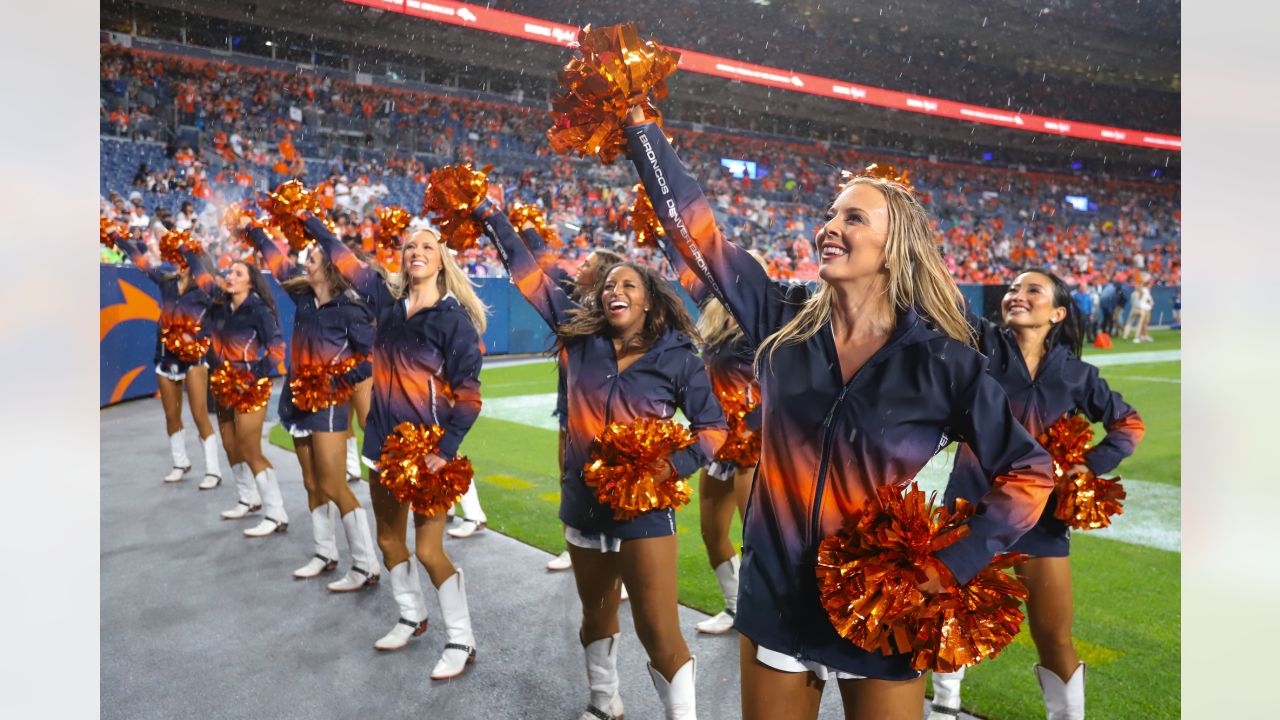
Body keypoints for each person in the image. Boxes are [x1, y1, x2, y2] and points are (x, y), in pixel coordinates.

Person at [625, 111, 1055, 720]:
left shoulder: (942, 362)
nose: (829, 226)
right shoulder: (781, 321)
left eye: (854, 217)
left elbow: (1030, 471)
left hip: (877, 606)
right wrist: (641, 129)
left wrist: (950, 563)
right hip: (777, 596)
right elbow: (699, 236)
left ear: (894, 246)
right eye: (829, 214)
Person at [477, 200, 726, 720]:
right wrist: (489, 215)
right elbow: (527, 274)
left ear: (651, 302)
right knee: (596, 612)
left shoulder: (677, 355)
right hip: (584, 502)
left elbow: (713, 430)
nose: (615, 290)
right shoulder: (578, 336)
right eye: (609, 285)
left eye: (629, 285)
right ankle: (603, 700)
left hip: (646, 509)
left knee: (658, 628)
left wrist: (668, 468)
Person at [929, 269, 1145, 720]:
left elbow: (1129, 424)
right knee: (948, 614)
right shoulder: (981, 345)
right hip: (972, 506)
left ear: (1058, 312)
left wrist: (1090, 465)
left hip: (1042, 519)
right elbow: (943, 299)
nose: (1017, 296)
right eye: (1012, 289)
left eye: (1033, 290)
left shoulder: (1076, 375)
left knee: (1054, 636)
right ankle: (944, 705)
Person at [301, 212, 487, 680]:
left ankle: (461, 638)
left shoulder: (453, 321)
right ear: (401, 260)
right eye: (409, 247)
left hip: (429, 453)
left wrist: (444, 450)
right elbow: (344, 259)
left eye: (426, 246)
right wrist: (311, 219)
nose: (417, 252)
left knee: (428, 551)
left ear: (441, 258)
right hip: (382, 446)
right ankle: (411, 614)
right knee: (388, 540)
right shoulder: (385, 304)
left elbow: (469, 397)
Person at [240, 222, 381, 588]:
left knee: (334, 484)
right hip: (297, 400)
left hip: (330, 404)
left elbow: (370, 359)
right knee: (311, 482)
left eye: (314, 259)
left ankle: (365, 565)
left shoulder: (351, 311)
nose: (306, 264)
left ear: (331, 268)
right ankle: (325, 552)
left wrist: (338, 381)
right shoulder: (303, 299)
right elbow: (279, 262)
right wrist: (253, 232)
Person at [653, 231, 766, 636]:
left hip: (753, 448)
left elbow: (780, 389)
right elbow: (685, 270)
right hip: (716, 443)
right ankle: (735, 607)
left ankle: (763, 616)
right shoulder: (715, 315)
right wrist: (660, 230)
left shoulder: (765, 325)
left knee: (755, 539)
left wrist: (749, 425)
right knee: (711, 532)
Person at [516, 222, 625, 571]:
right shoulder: (571, 300)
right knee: (568, 476)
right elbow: (549, 266)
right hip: (569, 408)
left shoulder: (612, 314)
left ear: (603, 274)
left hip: (604, 413)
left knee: (609, 482)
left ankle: (617, 559)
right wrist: (528, 231)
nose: (580, 267)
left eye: (588, 264)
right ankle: (573, 546)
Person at [184, 243, 289, 538]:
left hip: (249, 386)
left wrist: (253, 374)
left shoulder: (259, 310)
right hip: (223, 384)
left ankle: (276, 512)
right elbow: (201, 275)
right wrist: (185, 248)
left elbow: (278, 349)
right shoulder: (218, 305)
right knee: (230, 445)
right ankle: (248, 497)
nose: (230, 276)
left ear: (250, 281)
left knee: (249, 447)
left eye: (238, 272)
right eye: (229, 271)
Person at [113, 225, 221, 488]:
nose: (179, 264)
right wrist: (118, 239)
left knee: (199, 414)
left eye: (184, 260)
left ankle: (213, 470)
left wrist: (195, 339)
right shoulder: (167, 283)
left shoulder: (207, 292)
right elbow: (143, 264)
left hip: (194, 358)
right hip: (166, 356)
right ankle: (180, 461)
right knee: (171, 415)